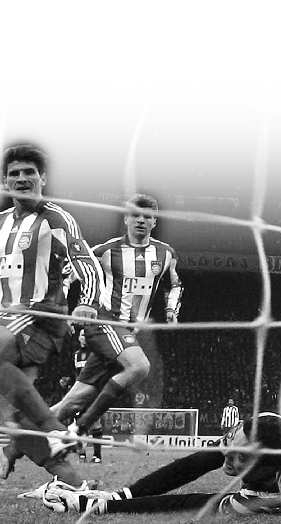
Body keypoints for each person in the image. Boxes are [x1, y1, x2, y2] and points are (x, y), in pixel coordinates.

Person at [0, 142, 107, 484]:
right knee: (17, 411)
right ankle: (74, 483)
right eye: (14, 173)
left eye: (29, 172)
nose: (21, 178)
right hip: (6, 319)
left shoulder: (55, 218)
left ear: (42, 178)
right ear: (4, 181)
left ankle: (52, 429)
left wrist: (88, 301)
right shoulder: (1, 223)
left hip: (40, 317)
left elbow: (86, 262)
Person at [52, 193, 183, 437]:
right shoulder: (106, 250)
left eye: (148, 216)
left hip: (125, 335)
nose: (141, 220)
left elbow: (175, 285)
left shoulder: (166, 254)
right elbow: (68, 274)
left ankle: (20, 439)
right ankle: (78, 429)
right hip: (105, 322)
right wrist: (65, 309)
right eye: (135, 215)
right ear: (125, 219)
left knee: (74, 401)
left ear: (155, 221)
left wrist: (171, 309)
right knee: (140, 366)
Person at [40, 412, 281, 516]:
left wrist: (99, 507)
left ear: (269, 469)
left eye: (241, 457)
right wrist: (120, 496)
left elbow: (189, 503)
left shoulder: (280, 493)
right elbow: (193, 465)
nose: (227, 456)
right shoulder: (257, 430)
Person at [73, 329, 103, 463]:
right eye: (82, 335)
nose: (84, 337)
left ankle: (97, 456)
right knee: (80, 423)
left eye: (86, 335)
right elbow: (76, 374)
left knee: (95, 422)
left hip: (93, 392)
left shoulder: (96, 353)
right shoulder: (76, 355)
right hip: (79, 394)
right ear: (79, 338)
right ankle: (82, 454)